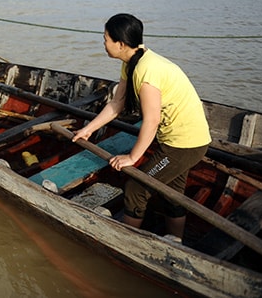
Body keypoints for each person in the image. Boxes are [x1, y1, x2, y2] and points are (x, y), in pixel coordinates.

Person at [73, 13, 211, 241]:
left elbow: (152, 120)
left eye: (106, 38)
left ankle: (128, 241)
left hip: (184, 143)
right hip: (181, 140)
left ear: (120, 43)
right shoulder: (133, 62)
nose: (104, 43)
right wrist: (88, 129)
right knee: (172, 195)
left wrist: (132, 157)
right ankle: (176, 243)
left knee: (136, 188)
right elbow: (117, 103)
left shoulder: (148, 71)